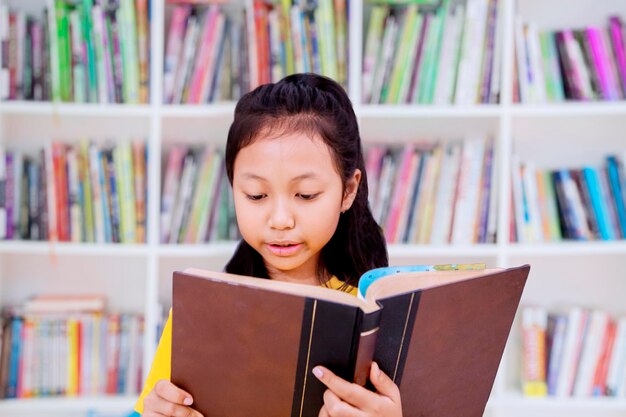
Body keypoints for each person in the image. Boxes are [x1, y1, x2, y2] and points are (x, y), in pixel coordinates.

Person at [135, 73, 402, 417]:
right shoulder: (201, 312)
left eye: (305, 195)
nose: (280, 219)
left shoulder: (377, 321)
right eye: (256, 195)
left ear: (348, 191)